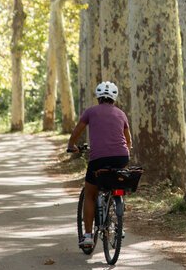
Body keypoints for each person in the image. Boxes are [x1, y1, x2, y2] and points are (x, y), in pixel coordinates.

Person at [66, 81, 132, 249]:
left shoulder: (90, 112)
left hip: (98, 159)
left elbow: (77, 131)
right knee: (118, 184)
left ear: (98, 97)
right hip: (121, 158)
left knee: (90, 194)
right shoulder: (121, 114)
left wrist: (71, 146)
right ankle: (119, 224)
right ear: (114, 98)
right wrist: (125, 152)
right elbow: (128, 140)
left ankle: (88, 236)